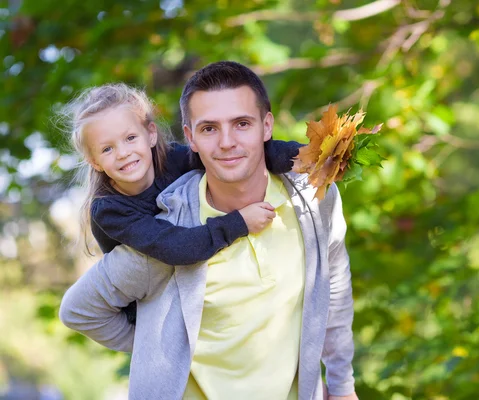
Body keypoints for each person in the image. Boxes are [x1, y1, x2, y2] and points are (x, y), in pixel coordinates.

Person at [60, 61, 357, 400]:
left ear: (266, 125)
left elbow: (335, 285)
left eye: (242, 124)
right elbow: (79, 310)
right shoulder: (158, 234)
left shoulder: (312, 201)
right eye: (210, 129)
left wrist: (318, 158)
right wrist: (160, 345)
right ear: (192, 138)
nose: (227, 142)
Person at [61, 83, 301, 323]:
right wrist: (239, 222)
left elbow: (232, 156)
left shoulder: (174, 159)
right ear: (95, 162)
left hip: (200, 273)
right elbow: (175, 246)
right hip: (158, 305)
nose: (123, 153)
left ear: (151, 135)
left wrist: (302, 156)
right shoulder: (109, 210)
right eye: (107, 149)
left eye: (131, 138)